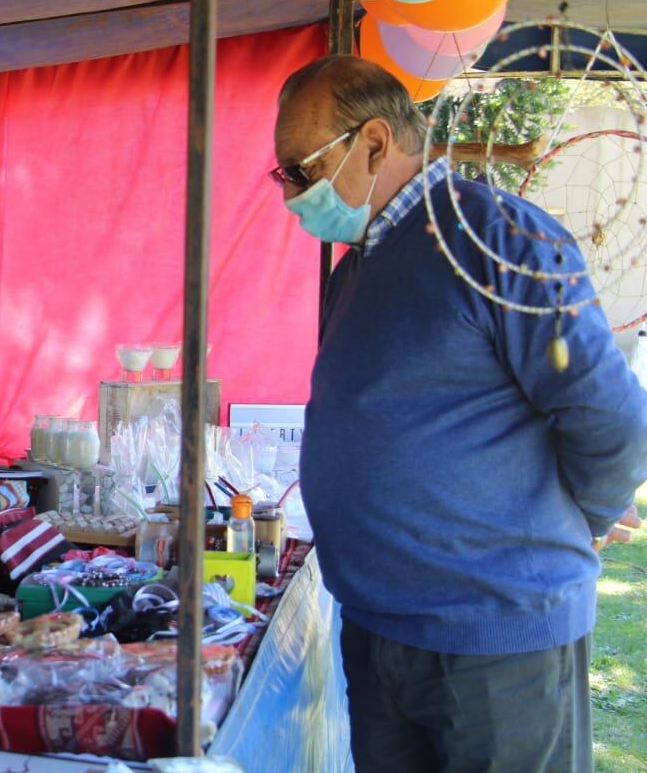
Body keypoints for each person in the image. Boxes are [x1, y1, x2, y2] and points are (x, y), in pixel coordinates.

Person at [272, 55, 647, 773]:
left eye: (300, 169)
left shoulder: (498, 237)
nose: (290, 194)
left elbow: (613, 417)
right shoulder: (360, 264)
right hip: (384, 630)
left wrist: (580, 525)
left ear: (374, 144)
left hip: (497, 644)